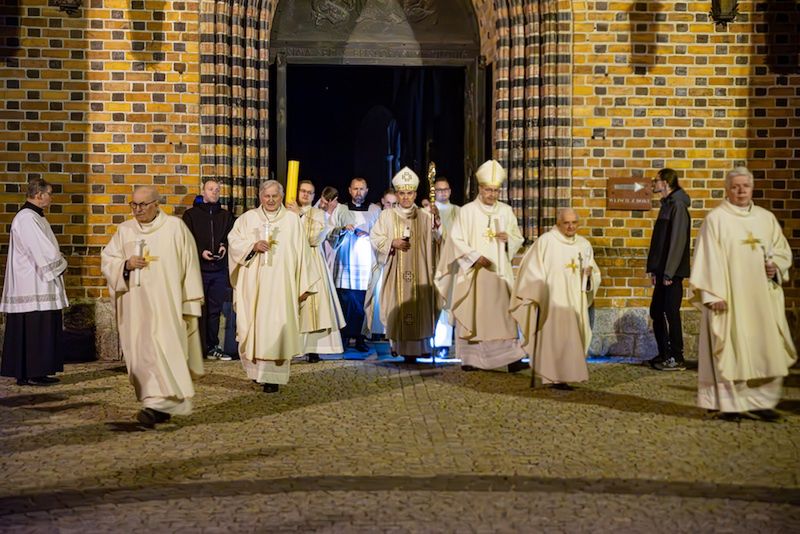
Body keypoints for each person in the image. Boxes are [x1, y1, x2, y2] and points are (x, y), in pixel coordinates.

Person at [689, 167, 796, 422]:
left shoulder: (766, 218)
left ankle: (761, 402)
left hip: (762, 299)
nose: (740, 191)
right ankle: (730, 405)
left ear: (752, 188)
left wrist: (776, 266)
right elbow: (706, 258)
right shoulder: (716, 219)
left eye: (745, 186)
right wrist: (712, 295)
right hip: (730, 298)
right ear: (727, 190)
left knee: (767, 350)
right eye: (735, 186)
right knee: (731, 351)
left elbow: (782, 250)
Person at [101, 185, 204, 426]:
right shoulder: (125, 230)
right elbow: (108, 260)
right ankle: (158, 405)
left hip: (167, 307)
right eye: (134, 205)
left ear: (157, 204)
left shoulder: (175, 228)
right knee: (141, 357)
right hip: (136, 309)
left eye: (143, 204)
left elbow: (189, 265)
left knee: (165, 352)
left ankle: (157, 406)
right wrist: (125, 265)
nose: (137, 210)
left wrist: (189, 302)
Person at [435, 159, 526, 373]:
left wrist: (509, 240)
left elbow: (518, 237)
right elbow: (455, 239)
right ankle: (471, 359)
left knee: (503, 316)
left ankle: (510, 357)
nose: (492, 194)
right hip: (473, 273)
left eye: (496, 190)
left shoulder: (505, 211)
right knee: (473, 314)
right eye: (488, 190)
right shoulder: (467, 211)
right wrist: (474, 257)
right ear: (480, 188)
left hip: (498, 272)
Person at [227, 180, 318, 393]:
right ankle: (257, 373)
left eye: (274, 196)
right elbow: (233, 243)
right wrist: (252, 246)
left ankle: (272, 378)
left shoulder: (292, 221)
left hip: (282, 288)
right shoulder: (247, 219)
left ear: (281, 197)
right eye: (266, 196)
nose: (270, 200)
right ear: (260, 196)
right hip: (253, 286)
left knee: (277, 329)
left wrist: (303, 286)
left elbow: (303, 254)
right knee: (252, 327)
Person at [510, 208, 601, 389]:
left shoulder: (583, 245)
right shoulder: (546, 242)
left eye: (574, 223)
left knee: (574, 338)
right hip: (552, 301)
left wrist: (589, 276)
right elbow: (531, 268)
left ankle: (567, 375)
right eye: (566, 223)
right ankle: (553, 377)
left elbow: (593, 273)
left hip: (575, 300)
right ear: (558, 223)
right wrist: (537, 292)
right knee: (553, 337)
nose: (570, 226)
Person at [1, 178, 68, 386]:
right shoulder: (27, 218)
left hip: (36, 280)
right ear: (39, 195)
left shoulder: (35, 216)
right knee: (34, 327)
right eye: (49, 194)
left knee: (37, 327)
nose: (51, 198)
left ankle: (33, 372)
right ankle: (32, 372)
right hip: (33, 283)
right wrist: (61, 262)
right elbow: (40, 249)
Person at [370, 167, 439, 363]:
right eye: (402, 193)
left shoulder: (425, 216)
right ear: (397, 194)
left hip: (420, 272)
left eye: (409, 193)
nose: (406, 197)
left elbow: (437, 241)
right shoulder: (387, 216)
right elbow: (375, 237)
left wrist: (437, 225)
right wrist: (392, 242)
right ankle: (397, 346)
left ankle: (421, 348)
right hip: (395, 271)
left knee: (420, 305)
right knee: (397, 305)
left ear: (415, 194)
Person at [287, 180, 346, 363]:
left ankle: (313, 349)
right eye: (303, 191)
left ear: (314, 196)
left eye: (310, 192)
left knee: (313, 305)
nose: (305, 194)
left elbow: (314, 238)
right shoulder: (286, 212)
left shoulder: (318, 214)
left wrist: (299, 216)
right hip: (291, 261)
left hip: (313, 261)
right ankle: (291, 347)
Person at [181, 177, 236, 361]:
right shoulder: (191, 215)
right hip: (199, 270)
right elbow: (186, 239)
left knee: (214, 310)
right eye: (211, 189)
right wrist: (200, 251)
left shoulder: (226, 216)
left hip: (218, 270)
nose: (214, 192)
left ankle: (212, 346)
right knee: (197, 309)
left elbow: (231, 236)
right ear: (203, 191)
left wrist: (223, 247)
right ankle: (195, 347)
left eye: (217, 190)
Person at [645, 168, 691, 371]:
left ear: (665, 182)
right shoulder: (667, 205)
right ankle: (664, 353)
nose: (653, 184)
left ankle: (677, 356)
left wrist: (669, 272)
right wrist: (655, 269)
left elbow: (677, 241)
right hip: (662, 270)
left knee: (671, 312)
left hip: (671, 273)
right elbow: (660, 242)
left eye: (656, 181)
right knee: (656, 311)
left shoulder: (677, 205)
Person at [332, 178, 381, 353]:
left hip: (366, 262)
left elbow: (381, 235)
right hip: (345, 262)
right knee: (345, 300)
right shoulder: (340, 209)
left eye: (361, 189)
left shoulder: (375, 210)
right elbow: (330, 232)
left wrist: (368, 234)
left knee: (362, 302)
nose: (358, 192)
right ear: (349, 190)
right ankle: (344, 337)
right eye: (355, 189)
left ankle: (360, 337)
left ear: (367, 190)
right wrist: (342, 229)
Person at [363, 187, 399, 340]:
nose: (391, 207)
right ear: (383, 202)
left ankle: (392, 330)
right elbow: (375, 238)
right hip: (382, 262)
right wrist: (391, 244)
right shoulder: (381, 217)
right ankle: (378, 331)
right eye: (388, 203)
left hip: (398, 264)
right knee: (379, 297)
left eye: (394, 204)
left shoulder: (402, 217)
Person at [430, 177, 460, 356]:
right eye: (439, 190)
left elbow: (458, 236)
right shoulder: (426, 211)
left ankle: (443, 344)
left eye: (445, 189)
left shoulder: (458, 211)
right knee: (430, 302)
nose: (442, 193)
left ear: (450, 191)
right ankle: (427, 341)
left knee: (446, 302)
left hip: (450, 263)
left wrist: (440, 227)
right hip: (430, 262)